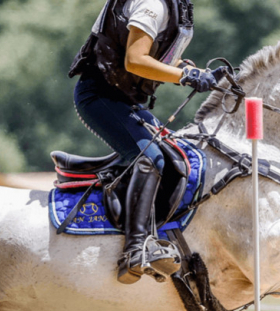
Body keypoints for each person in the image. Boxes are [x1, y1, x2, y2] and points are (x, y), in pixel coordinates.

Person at [68, 0, 225, 285]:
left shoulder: (175, 6)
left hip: (124, 100)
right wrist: (184, 76)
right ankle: (135, 249)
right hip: (100, 97)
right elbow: (135, 60)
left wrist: (192, 71)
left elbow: (159, 58)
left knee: (175, 157)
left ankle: (160, 235)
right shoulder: (152, 3)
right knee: (150, 158)